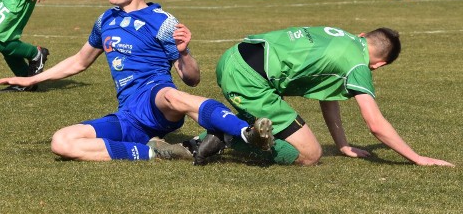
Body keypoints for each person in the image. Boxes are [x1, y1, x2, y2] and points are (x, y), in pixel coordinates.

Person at [0, 0, 274, 162]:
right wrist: (32, 80)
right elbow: (79, 61)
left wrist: (184, 52)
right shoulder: (105, 20)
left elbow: (191, 79)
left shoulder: (162, 21)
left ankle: (247, 133)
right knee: (62, 142)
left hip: (156, 100)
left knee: (170, 94)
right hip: (128, 114)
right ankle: (156, 152)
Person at [190, 26, 454, 167]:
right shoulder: (359, 66)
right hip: (249, 79)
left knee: (292, 136)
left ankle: (228, 131)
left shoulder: (343, 37)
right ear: (380, 65)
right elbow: (375, 124)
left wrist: (342, 145)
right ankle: (224, 136)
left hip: (234, 57)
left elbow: (328, 97)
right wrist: (418, 159)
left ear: (363, 35)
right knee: (310, 154)